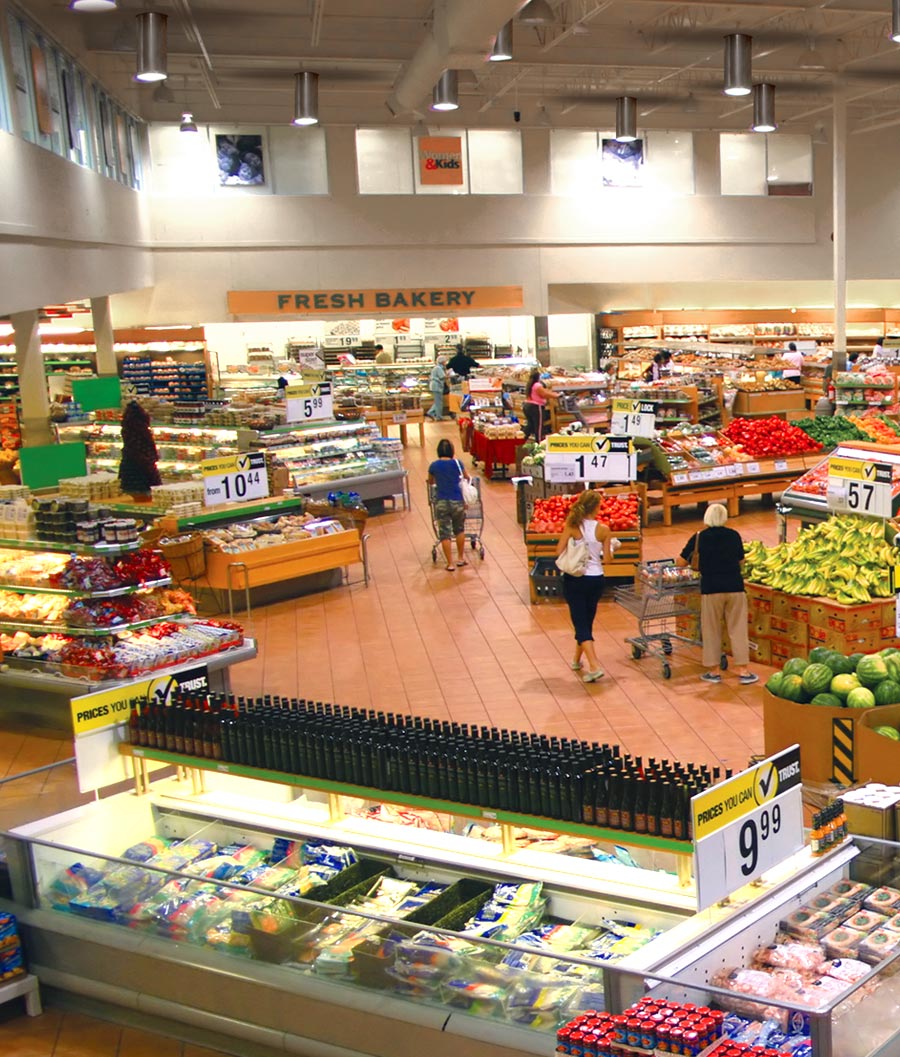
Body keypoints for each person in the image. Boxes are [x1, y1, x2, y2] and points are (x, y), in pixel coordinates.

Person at [676, 503, 758, 685]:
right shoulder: (734, 535)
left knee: (711, 629)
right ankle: (743, 671)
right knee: (738, 629)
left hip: (711, 588)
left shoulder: (699, 537)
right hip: (735, 587)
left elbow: (680, 562)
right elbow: (741, 560)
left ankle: (713, 672)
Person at [555, 490, 611, 683]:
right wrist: (611, 547)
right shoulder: (604, 529)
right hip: (597, 579)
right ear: (596, 507)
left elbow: (558, 549)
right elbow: (608, 559)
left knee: (580, 622)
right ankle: (576, 660)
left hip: (576, 579)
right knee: (586, 621)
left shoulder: (572, 526)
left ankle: (594, 666)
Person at [428, 438, 472, 571]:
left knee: (445, 533)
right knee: (459, 529)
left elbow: (430, 482)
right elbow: (467, 477)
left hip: (441, 501)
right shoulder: (458, 463)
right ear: (452, 451)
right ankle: (460, 558)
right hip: (457, 500)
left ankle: (450, 563)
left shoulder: (434, 465)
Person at [118, 400, 161, 498]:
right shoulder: (143, 431)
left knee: (135, 495)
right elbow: (147, 449)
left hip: (129, 468)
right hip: (144, 470)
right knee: (148, 495)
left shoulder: (126, 430)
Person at [522, 369, 557, 442]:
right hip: (536, 407)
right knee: (539, 426)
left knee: (530, 425)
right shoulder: (537, 385)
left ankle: (522, 439)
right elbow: (544, 394)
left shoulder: (530, 384)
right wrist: (556, 395)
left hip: (527, 405)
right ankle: (539, 442)